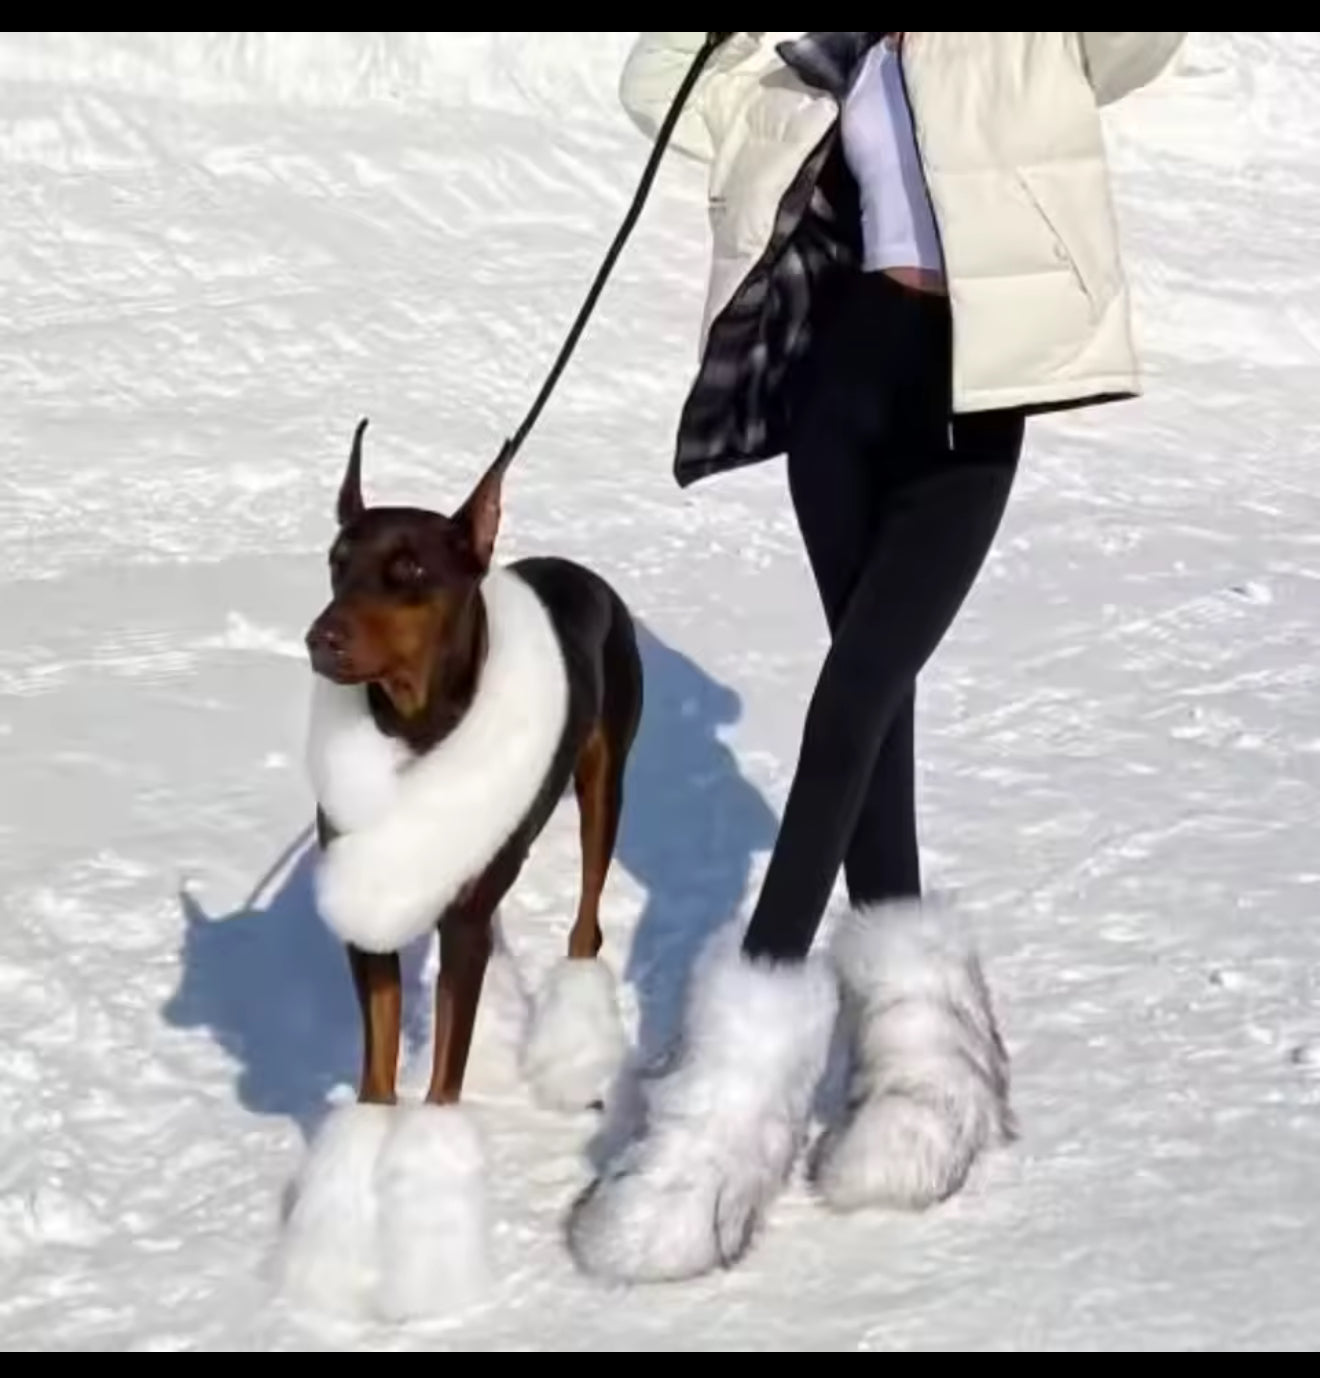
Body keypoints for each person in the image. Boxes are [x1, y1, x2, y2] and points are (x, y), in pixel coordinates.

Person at [567, 30, 1187, 1284]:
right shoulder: (819, 55)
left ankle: (729, 1097)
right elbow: (654, 86)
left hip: (967, 409)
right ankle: (924, 1059)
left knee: (850, 702)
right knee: (878, 701)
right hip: (837, 397)